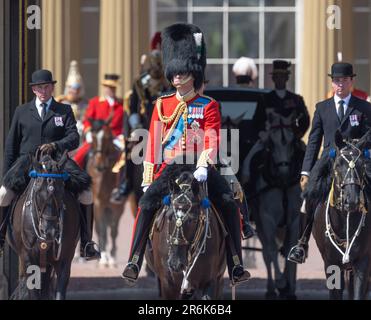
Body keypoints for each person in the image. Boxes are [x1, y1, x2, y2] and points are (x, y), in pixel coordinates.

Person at [121, 23, 251, 286]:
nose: (176, 77)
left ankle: (236, 263)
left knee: (227, 202)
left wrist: (203, 164)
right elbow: (154, 142)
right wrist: (148, 177)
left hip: (198, 166)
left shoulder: (208, 105)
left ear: (192, 74)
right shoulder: (162, 104)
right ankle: (134, 259)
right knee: (146, 205)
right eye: (174, 73)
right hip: (170, 167)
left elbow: (212, 137)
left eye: (181, 72)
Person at [0, 69, 100, 260]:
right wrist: (7, 175)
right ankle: (1, 237)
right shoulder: (21, 112)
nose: (43, 91)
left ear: (52, 87)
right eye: (39, 88)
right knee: (3, 194)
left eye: (46, 87)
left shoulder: (64, 110)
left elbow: (73, 138)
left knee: (87, 193)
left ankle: (87, 243)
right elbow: (11, 146)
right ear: (34, 90)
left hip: (57, 162)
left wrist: (55, 145)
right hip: (27, 162)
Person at [288, 62, 371, 264]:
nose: (340, 84)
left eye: (344, 80)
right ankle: (301, 243)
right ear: (332, 83)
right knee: (308, 199)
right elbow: (313, 142)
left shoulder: (364, 107)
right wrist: (306, 171)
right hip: (328, 161)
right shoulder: (321, 108)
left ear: (351, 81)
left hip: (355, 161)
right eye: (336, 80)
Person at [110, 39, 170, 203]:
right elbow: (133, 107)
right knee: (130, 153)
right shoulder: (139, 82)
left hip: (167, 127)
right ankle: (126, 183)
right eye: (154, 65)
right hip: (144, 126)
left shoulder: (169, 81)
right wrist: (136, 126)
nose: (156, 68)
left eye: (159, 65)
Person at [241, 60, 310, 184]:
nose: (280, 79)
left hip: (291, 137)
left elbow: (305, 119)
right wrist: (262, 133)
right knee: (249, 159)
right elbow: (257, 121)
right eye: (277, 76)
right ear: (273, 78)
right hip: (269, 136)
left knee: (309, 157)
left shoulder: (296, 99)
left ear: (287, 78)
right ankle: (249, 186)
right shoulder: (265, 99)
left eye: (282, 76)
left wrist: (298, 134)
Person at [73, 74, 124, 169]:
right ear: (104, 88)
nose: (111, 90)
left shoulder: (121, 104)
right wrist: (88, 132)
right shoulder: (95, 102)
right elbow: (87, 120)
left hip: (116, 138)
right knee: (79, 156)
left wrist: (122, 135)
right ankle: (76, 175)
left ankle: (124, 181)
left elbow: (123, 123)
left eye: (113, 87)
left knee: (128, 157)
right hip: (98, 137)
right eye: (109, 87)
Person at [56, 60, 88, 144]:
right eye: (72, 89)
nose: (75, 91)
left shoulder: (85, 104)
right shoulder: (61, 103)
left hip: (82, 137)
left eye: (77, 89)